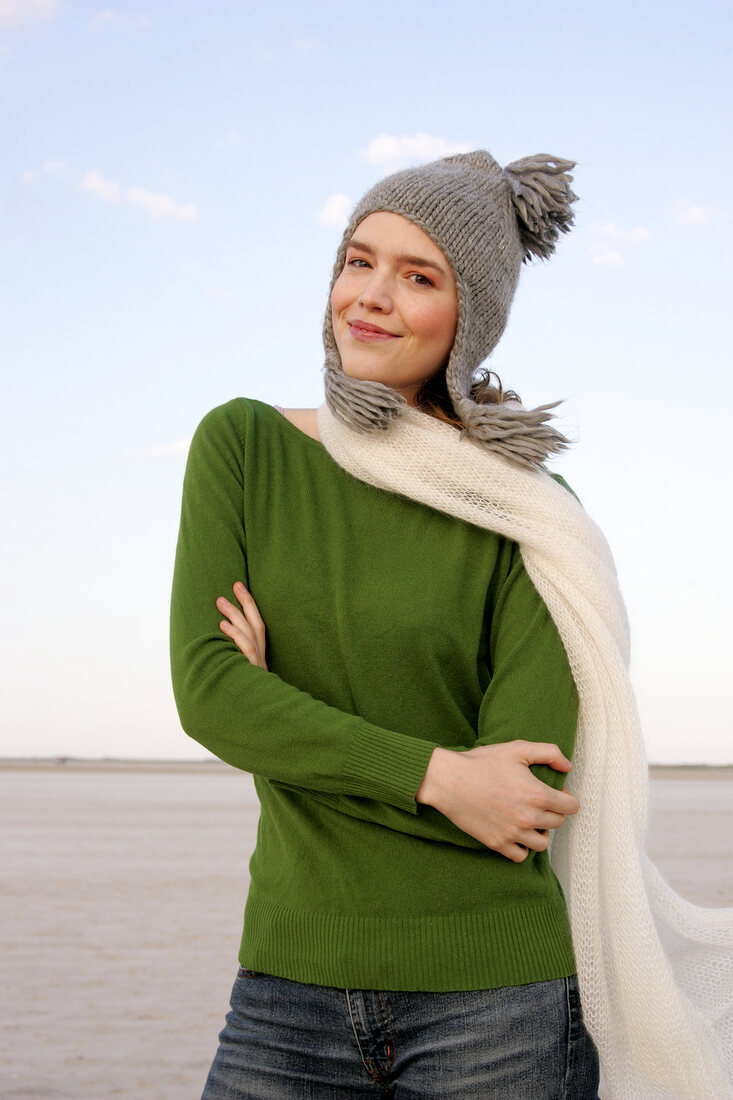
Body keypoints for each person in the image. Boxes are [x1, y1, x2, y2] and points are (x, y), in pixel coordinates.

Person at [170, 152, 733, 1100]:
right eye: (358, 260)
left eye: (417, 276)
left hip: (498, 1005)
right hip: (284, 993)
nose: (371, 297)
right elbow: (211, 696)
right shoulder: (243, 446)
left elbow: (517, 800)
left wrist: (286, 726)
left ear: (466, 316)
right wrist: (439, 775)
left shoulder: (531, 509)